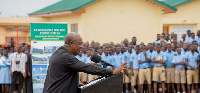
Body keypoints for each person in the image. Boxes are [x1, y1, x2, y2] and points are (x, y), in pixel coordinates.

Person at [42, 33, 127, 93]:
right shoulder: (66, 57)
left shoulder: (58, 53)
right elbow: (86, 67)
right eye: (80, 44)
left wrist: (75, 83)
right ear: (71, 44)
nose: (81, 47)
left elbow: (58, 77)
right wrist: (112, 72)